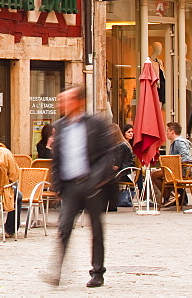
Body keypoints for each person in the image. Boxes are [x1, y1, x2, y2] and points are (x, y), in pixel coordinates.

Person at [45, 85, 115, 289]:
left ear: (79, 101)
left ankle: (97, 272)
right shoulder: (60, 125)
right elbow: (56, 158)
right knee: (64, 227)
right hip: (70, 186)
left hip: (92, 184)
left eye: (66, 100)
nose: (62, 104)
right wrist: (57, 184)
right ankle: (56, 270)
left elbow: (106, 154)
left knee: (95, 229)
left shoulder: (96, 124)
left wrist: (96, 179)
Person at [150, 121, 192, 206]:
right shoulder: (179, 142)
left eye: (167, 131)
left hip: (180, 171)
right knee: (161, 174)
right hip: (178, 170)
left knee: (155, 175)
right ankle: (178, 197)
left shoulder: (179, 142)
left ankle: (169, 196)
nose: (166, 133)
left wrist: (174, 166)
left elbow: (185, 158)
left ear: (172, 132)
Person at [106, 124, 134, 212]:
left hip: (124, 173)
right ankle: (110, 204)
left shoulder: (120, 146)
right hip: (127, 172)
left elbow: (116, 165)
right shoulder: (124, 144)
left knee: (104, 178)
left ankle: (109, 205)